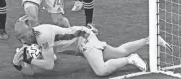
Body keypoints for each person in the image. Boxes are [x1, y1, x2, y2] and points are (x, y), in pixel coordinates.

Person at [12, 19, 172, 77]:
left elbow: (49, 64)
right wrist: (19, 65)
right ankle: (149, 40)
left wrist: (29, 59)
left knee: (101, 70)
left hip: (84, 40)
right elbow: (33, 71)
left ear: (28, 31)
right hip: (80, 41)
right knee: (117, 52)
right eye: (22, 39)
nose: (24, 41)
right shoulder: (31, 38)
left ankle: (131, 60)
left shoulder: (43, 35)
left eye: (24, 37)